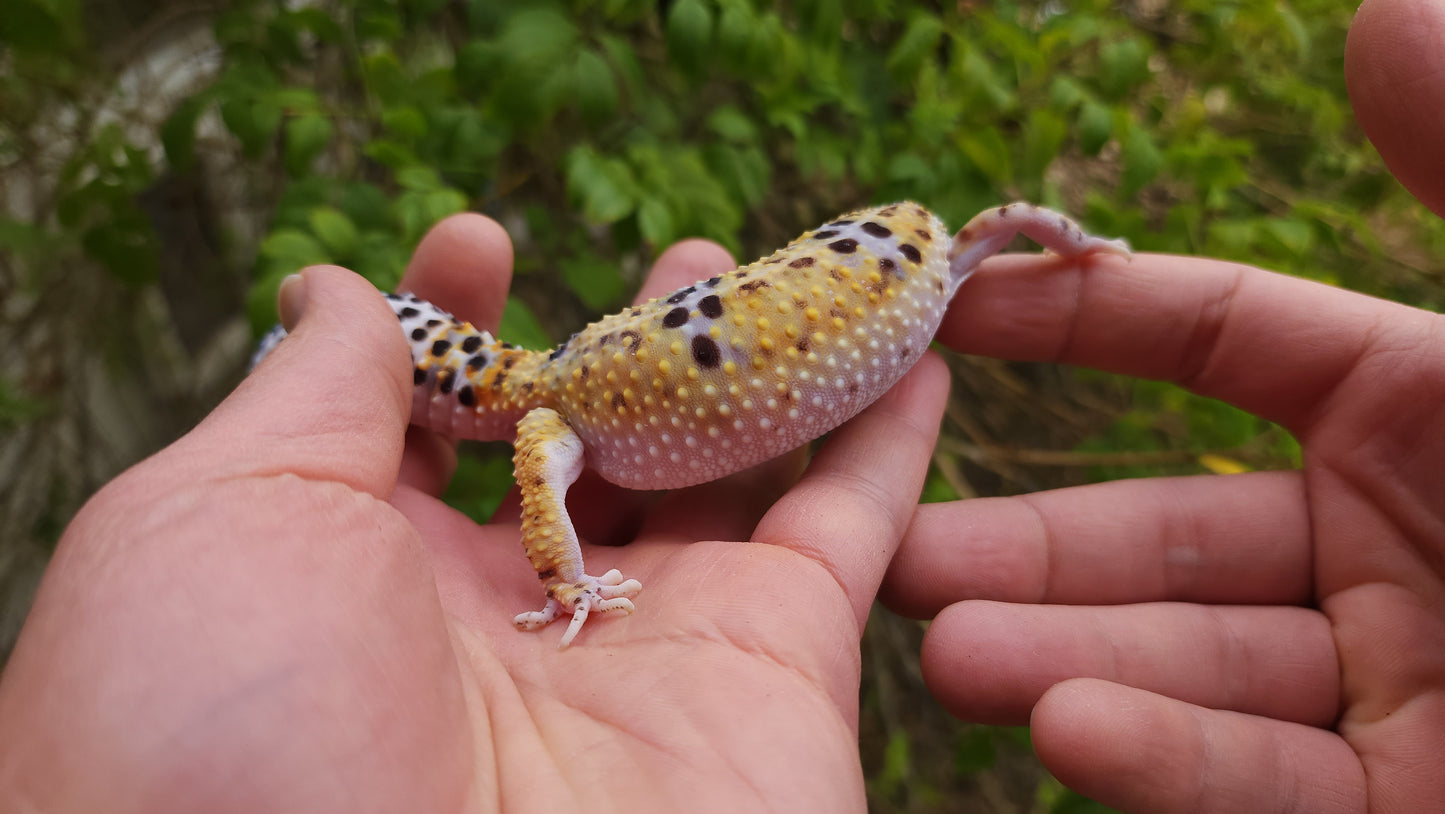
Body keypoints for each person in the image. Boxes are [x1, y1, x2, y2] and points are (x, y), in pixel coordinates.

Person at [0, 0, 1440, 810]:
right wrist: (558, 582)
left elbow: (1004, 215)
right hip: (580, 383)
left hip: (622, 363)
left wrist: (1069, 241)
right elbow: (1007, 214)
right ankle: (505, 519)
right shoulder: (564, 414)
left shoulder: (943, 251)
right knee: (529, 462)